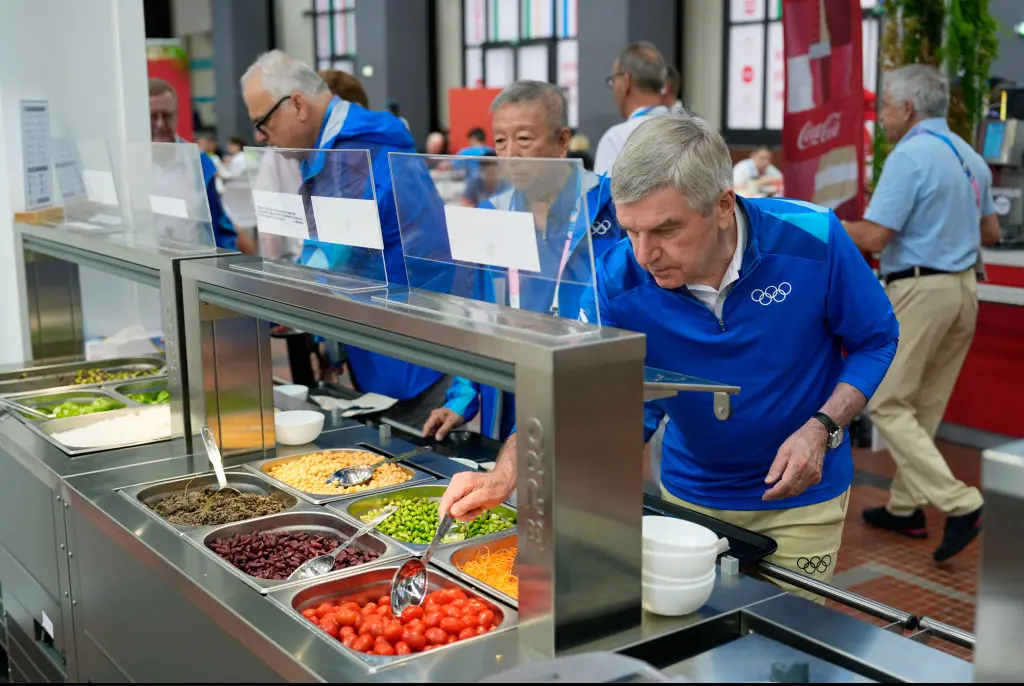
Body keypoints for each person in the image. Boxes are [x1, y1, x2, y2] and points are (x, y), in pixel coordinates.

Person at [440, 113, 900, 595]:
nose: (644, 254)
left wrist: (822, 427)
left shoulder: (814, 238)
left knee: (784, 650)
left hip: (805, 499)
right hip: (689, 498)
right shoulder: (616, 279)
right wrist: (506, 474)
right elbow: (569, 387)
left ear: (723, 205)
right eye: (630, 231)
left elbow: (876, 339)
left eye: (664, 230)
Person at [843, 64, 1001, 563]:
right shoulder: (970, 156)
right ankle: (906, 507)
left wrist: (818, 220)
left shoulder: (910, 156)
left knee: (886, 400)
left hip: (920, 289)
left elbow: (872, 237)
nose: (882, 115)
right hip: (964, 291)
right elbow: (992, 234)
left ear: (907, 108)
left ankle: (963, 503)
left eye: (885, 105)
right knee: (924, 406)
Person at [240, 50, 449, 426]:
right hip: (384, 335)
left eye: (263, 122)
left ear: (298, 105)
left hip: (410, 345)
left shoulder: (354, 152)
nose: (261, 136)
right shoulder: (333, 149)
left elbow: (333, 255)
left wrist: (274, 302)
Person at [422, 80, 623, 443]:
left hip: (588, 386)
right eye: (501, 141)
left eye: (524, 139)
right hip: (511, 388)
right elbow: (476, 314)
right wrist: (463, 396)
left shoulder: (611, 207)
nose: (511, 153)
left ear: (562, 142)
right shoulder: (491, 214)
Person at [149, 78, 244, 252]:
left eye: (166, 115)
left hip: (192, 266)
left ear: (176, 115)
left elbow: (220, 225)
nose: (160, 124)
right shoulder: (132, 164)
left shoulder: (198, 163)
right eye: (153, 116)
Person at [594, 42, 671, 175]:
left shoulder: (617, 139)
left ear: (625, 82)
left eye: (613, 81)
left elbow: (604, 195)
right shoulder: (696, 130)